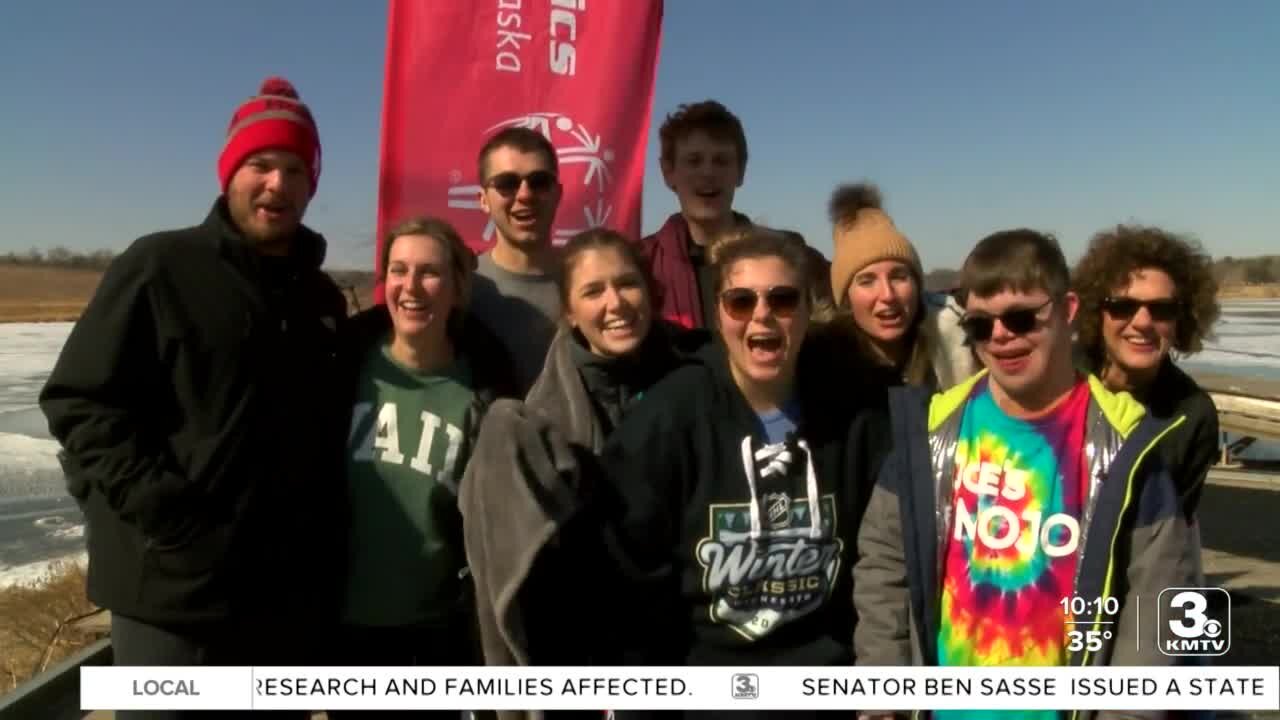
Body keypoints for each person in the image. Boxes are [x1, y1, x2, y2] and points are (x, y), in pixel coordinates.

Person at [38, 76, 347, 717]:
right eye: (261, 165)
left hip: (278, 601)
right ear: (229, 172)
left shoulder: (319, 299)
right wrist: (167, 515)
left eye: (295, 169)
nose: (277, 185)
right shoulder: (160, 267)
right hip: (170, 597)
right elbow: (80, 401)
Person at [853, 229, 1197, 720]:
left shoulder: (1128, 448)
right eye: (979, 324)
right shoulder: (928, 434)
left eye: (1021, 318)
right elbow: (883, 565)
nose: (1000, 337)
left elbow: (1158, 606)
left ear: (1068, 309)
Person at [597, 227, 891, 719]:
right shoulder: (670, 417)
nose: (761, 314)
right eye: (740, 301)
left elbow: (884, 563)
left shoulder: (857, 416)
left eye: (782, 298)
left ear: (805, 310)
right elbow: (629, 582)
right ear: (719, 313)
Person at [461, 229, 708, 677]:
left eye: (627, 283)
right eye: (593, 291)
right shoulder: (538, 426)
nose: (615, 303)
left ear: (650, 292)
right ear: (571, 313)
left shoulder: (701, 376)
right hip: (590, 651)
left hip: (697, 637)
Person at [332, 216, 518, 719]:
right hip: (344, 633)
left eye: (429, 272)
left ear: (458, 288)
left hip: (439, 637)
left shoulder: (487, 390)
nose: (411, 287)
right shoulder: (340, 370)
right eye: (399, 270)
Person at [1072, 224, 1221, 520]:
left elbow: (1171, 529)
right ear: (1095, 313)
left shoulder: (1191, 415)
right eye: (1122, 306)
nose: (1142, 322)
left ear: (1181, 319)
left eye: (1161, 309)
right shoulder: (1061, 380)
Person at [641, 101, 832, 329]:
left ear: (740, 171)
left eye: (721, 161)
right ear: (668, 172)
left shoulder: (795, 258)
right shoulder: (641, 268)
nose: (708, 173)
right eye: (694, 161)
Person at [818, 182, 976, 389]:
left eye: (898, 277)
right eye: (867, 281)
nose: (888, 295)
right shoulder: (820, 366)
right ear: (847, 297)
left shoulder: (956, 341)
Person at [470, 126, 566, 394]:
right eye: (506, 184)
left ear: (558, 193)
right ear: (483, 200)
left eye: (539, 182)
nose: (525, 195)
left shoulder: (592, 287)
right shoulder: (460, 290)